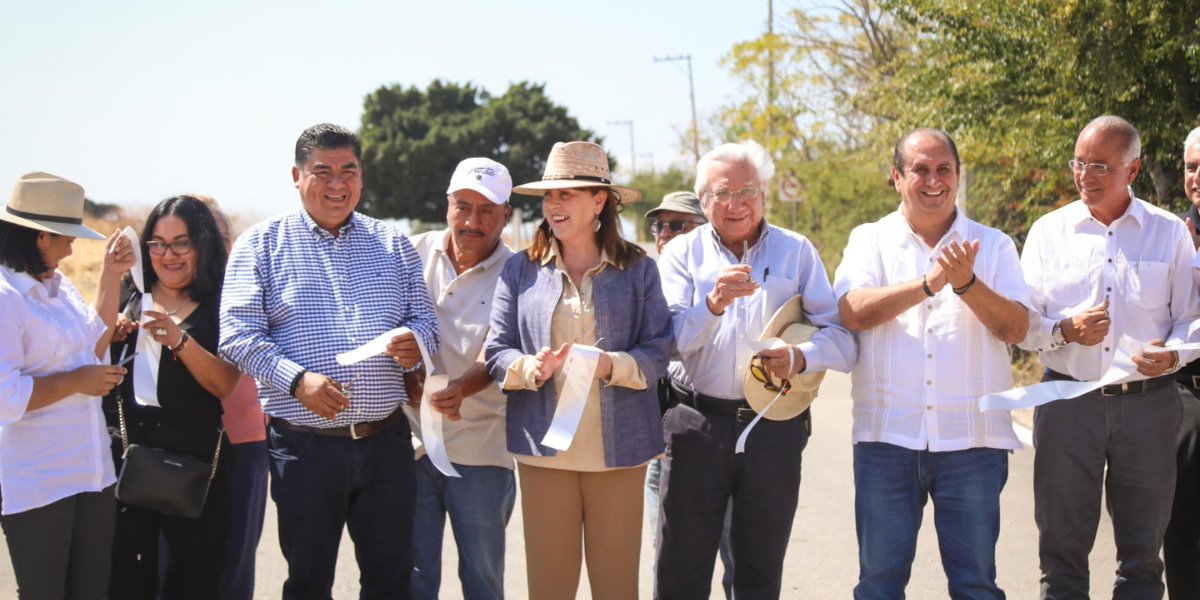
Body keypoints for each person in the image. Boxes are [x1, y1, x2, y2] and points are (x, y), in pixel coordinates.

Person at [220, 123, 438, 599]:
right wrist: (297, 381)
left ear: (361, 177)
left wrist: (415, 343)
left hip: (387, 443)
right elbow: (236, 337)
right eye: (322, 171)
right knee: (309, 581)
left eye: (348, 171)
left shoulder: (393, 243)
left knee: (391, 581)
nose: (337, 184)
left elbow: (425, 321)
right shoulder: (260, 245)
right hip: (304, 448)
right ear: (296, 176)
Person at [834, 128, 1029, 599]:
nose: (933, 180)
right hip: (886, 440)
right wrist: (929, 282)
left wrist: (966, 284)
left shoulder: (994, 244)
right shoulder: (870, 240)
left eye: (944, 169)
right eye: (920, 169)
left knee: (976, 585)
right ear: (896, 178)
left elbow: (1016, 329)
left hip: (973, 443)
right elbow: (853, 311)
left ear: (959, 177)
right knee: (879, 585)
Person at [655, 140, 855, 600]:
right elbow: (663, 343)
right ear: (703, 202)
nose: (736, 204)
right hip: (695, 427)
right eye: (722, 193)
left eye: (747, 190)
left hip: (774, 428)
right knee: (679, 572)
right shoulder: (683, 254)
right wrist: (712, 304)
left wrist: (801, 357)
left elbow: (841, 339)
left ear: (764, 194)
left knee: (759, 577)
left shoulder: (797, 251)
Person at [1019, 115, 1200, 599]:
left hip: (1149, 408)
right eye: (1078, 162)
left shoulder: (1168, 233)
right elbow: (1022, 325)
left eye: (1099, 164)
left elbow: (1191, 318)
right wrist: (1062, 331)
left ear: (1133, 169)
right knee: (1060, 559)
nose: (1085, 175)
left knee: (1142, 562)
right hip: (1066, 405)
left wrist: (1175, 354)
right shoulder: (1047, 232)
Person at [484, 141, 671, 600]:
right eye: (549, 196)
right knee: (549, 589)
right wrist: (531, 368)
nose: (553, 205)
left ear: (599, 201)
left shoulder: (639, 269)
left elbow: (659, 351)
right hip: (543, 452)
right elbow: (496, 352)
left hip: (620, 452)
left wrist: (612, 365)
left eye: (567, 194)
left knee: (616, 588)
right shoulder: (519, 271)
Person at [0, 172, 132, 600]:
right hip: (38, 479)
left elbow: (91, 345)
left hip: (92, 471)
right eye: (67, 236)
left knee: (92, 591)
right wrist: (77, 381)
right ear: (41, 236)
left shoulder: (59, 285)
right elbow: (6, 397)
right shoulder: (5, 298)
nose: (73, 246)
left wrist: (112, 276)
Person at [105, 195, 243, 599]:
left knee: (196, 583)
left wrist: (179, 340)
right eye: (157, 244)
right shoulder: (129, 296)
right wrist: (108, 328)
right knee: (125, 584)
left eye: (181, 243)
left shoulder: (224, 304)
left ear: (202, 245)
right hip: (126, 464)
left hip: (197, 467)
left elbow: (225, 384)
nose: (168, 254)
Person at [404, 158, 516, 600]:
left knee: (482, 581)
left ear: (507, 214)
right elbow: (392, 321)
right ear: (447, 204)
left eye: (487, 210)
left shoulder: (522, 271)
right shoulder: (409, 251)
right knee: (411, 578)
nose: (472, 221)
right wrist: (408, 369)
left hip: (483, 450)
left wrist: (463, 387)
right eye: (462, 206)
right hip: (411, 446)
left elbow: (503, 346)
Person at [199, 196, 266, 600]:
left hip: (244, 442)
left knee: (235, 565)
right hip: (179, 444)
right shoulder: (155, 291)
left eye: (217, 235)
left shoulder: (249, 281)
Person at [1165, 125, 1200, 598]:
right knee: (1183, 529)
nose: (1199, 177)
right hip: (1188, 395)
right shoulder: (1174, 234)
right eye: (1193, 167)